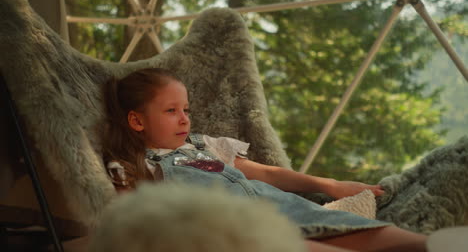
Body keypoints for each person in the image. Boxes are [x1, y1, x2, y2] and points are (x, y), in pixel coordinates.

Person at [103, 68, 427, 252]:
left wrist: (332, 186)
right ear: (137, 121)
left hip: (293, 210)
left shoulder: (206, 146)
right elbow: (135, 222)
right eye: (171, 111)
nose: (185, 119)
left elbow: (270, 175)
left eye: (186, 109)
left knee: (416, 245)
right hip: (246, 236)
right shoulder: (135, 167)